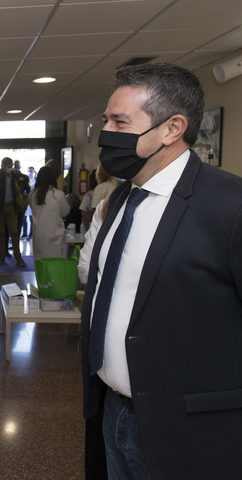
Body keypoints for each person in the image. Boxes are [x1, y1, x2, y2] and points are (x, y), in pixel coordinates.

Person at [81, 62, 242, 479]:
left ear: (172, 129)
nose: (107, 133)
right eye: (106, 120)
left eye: (120, 121)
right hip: (113, 411)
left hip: (189, 432)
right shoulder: (121, 199)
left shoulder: (229, 206)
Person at [0, 157, 27, 267]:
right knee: (0, 233)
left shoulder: (15, 176)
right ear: (2, 166)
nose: (10, 168)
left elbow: (25, 182)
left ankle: (18, 257)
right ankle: (2, 257)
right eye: (8, 166)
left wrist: (21, 188)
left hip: (11, 207)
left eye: (11, 166)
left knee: (14, 232)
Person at [29, 166, 70, 261]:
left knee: (41, 264)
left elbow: (33, 209)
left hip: (39, 235)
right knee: (56, 265)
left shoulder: (33, 194)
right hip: (55, 236)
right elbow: (65, 212)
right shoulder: (58, 194)